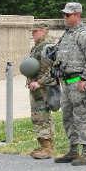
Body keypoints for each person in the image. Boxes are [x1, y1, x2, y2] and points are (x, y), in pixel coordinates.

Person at [54, 2, 86, 166]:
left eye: (68, 15)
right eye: (64, 14)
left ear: (77, 15)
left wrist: (84, 78)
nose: (64, 17)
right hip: (66, 83)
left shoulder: (83, 35)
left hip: (78, 83)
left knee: (82, 117)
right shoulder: (67, 34)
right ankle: (73, 150)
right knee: (67, 117)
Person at [26, 22, 57, 159]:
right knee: (38, 115)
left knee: (42, 116)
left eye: (35, 31)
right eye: (32, 32)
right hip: (37, 86)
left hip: (43, 87)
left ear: (44, 30)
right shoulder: (39, 46)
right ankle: (44, 145)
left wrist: (39, 82)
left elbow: (53, 69)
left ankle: (47, 149)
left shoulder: (48, 47)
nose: (32, 34)